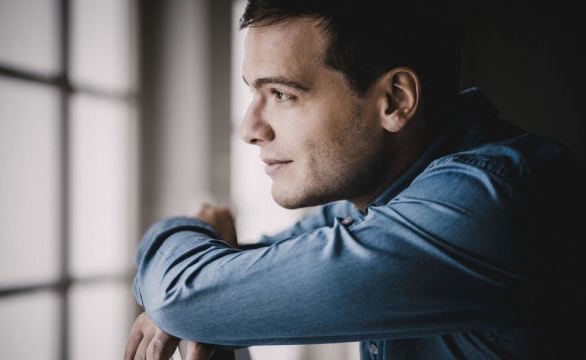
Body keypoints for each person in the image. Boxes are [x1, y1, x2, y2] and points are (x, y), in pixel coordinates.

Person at [124, 0, 586, 359]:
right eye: (254, 93)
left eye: (282, 94)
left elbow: (187, 294)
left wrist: (198, 232)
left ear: (394, 99)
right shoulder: (379, 194)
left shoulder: (486, 205)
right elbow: (224, 289)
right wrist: (204, 296)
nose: (251, 129)